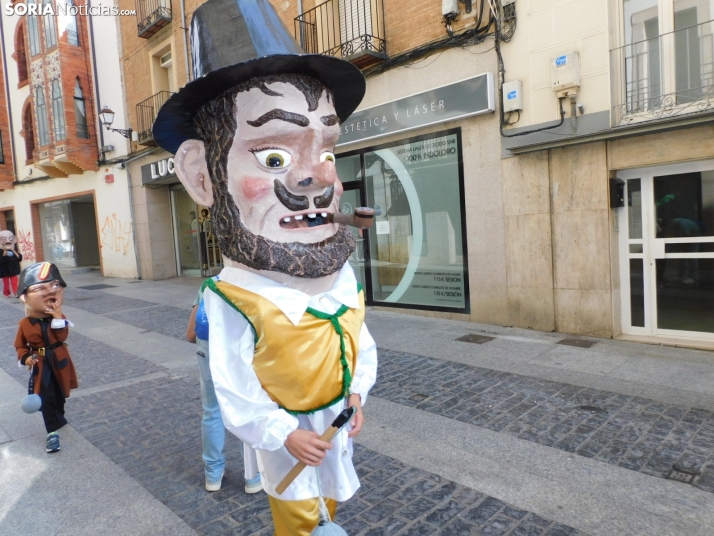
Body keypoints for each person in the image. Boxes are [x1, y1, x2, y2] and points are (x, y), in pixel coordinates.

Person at [153, 0, 377, 533]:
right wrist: (280, 433)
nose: (317, 181)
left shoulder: (340, 276)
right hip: (288, 430)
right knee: (298, 512)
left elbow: (359, 344)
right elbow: (233, 383)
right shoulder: (232, 296)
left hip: (335, 421)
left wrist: (356, 395)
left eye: (326, 150)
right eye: (274, 157)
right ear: (203, 178)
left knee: (334, 495)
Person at [185, 279, 262, 493]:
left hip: (208, 353)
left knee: (212, 412)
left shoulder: (209, 285)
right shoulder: (256, 285)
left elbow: (191, 333)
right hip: (244, 357)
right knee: (248, 411)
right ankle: (253, 477)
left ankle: (213, 475)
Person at [14, 262, 77, 453]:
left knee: (60, 394)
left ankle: (59, 416)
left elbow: (61, 337)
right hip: (41, 362)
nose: (50, 291)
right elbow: (20, 345)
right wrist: (26, 358)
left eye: (55, 285)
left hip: (59, 359)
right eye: (40, 288)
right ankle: (52, 433)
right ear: (24, 298)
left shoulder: (59, 317)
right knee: (46, 396)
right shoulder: (25, 323)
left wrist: (57, 315)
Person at [0, 230, 23, 297]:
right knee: (6, 283)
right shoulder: (1, 251)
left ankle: (16, 293)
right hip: (5, 270)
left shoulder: (14, 248)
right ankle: (6, 293)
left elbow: (19, 258)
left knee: (14, 282)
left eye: (10, 238)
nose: (7, 241)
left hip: (13, 268)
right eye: (4, 239)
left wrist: (13, 250)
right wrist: (3, 255)